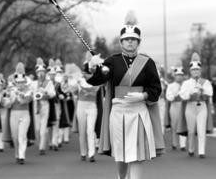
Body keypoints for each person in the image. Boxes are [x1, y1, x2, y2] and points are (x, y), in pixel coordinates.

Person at [84, 24, 164, 179]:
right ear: (121, 42)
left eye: (133, 39)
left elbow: (156, 88)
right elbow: (95, 80)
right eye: (126, 39)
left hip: (139, 111)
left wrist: (143, 96)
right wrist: (91, 66)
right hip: (118, 111)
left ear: (138, 42)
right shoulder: (112, 62)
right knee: (121, 154)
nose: (130, 42)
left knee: (137, 153)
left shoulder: (148, 63)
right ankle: (121, 176)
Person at [179, 52, 213, 158]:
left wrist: (202, 89)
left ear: (200, 70)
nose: (195, 72)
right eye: (193, 70)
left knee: (201, 129)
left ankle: (202, 151)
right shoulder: (186, 83)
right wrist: (190, 93)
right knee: (191, 130)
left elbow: (210, 92)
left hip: (202, 106)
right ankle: (191, 149)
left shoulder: (205, 82)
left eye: (197, 70)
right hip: (190, 107)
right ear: (190, 71)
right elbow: (182, 95)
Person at [30, 57, 56, 155]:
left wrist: (45, 93)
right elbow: (29, 93)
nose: (40, 74)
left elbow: (53, 93)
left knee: (43, 127)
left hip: (45, 105)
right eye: (39, 72)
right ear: (36, 73)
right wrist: (34, 94)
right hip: (36, 105)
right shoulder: (33, 83)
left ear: (45, 72)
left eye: (42, 72)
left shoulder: (48, 82)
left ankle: (42, 147)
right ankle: (39, 143)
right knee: (37, 128)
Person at [9, 62, 33, 164]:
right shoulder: (11, 91)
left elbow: (27, 100)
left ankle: (22, 155)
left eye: (22, 82)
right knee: (15, 136)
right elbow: (6, 104)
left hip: (24, 114)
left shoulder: (29, 90)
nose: (20, 84)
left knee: (22, 136)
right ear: (16, 83)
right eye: (18, 83)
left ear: (25, 82)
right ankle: (17, 153)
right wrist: (10, 97)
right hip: (13, 114)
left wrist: (21, 96)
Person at [76, 75, 99, 162]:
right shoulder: (80, 80)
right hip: (81, 105)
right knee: (82, 130)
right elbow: (73, 90)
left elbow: (95, 90)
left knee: (90, 129)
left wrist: (87, 91)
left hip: (92, 105)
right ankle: (83, 153)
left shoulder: (96, 80)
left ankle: (91, 154)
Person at [165, 64, 187, 150]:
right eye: (178, 75)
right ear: (175, 76)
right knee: (174, 125)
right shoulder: (170, 86)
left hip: (183, 105)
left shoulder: (186, 84)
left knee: (183, 125)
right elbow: (168, 96)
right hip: (174, 106)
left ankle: (183, 145)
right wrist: (175, 96)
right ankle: (174, 143)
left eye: (181, 75)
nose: (179, 77)